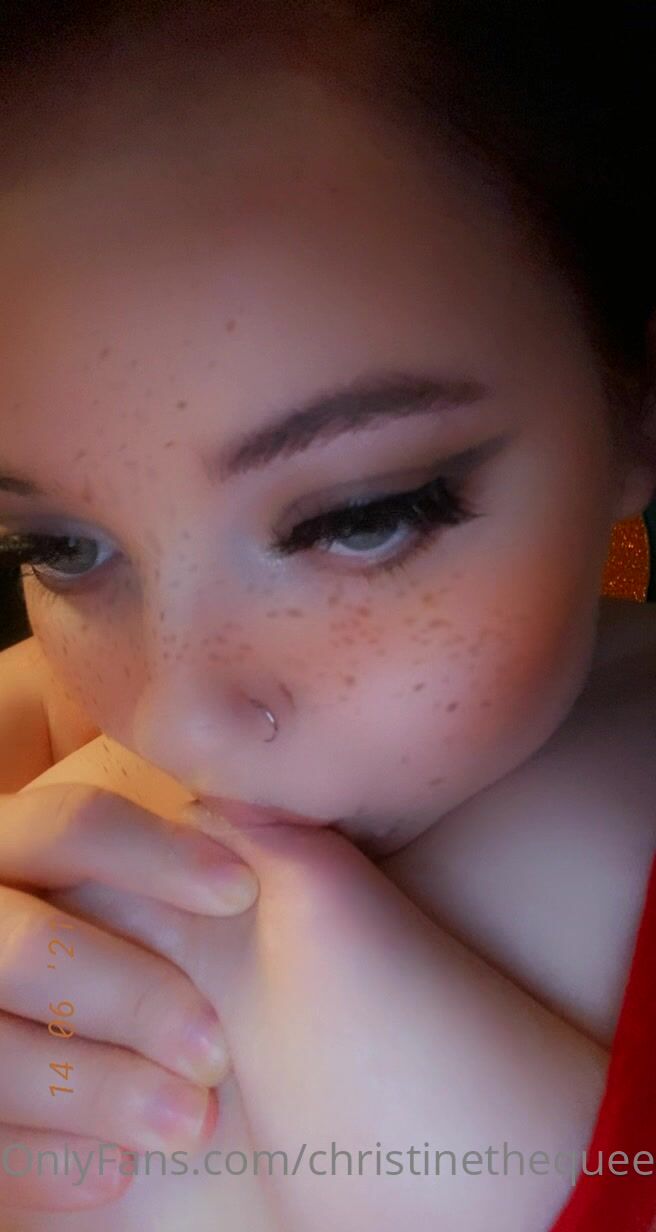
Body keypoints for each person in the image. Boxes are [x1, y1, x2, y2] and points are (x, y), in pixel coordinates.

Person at [0, 1, 654, 1227]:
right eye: (60, 547)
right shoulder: (36, 718)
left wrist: (269, 953)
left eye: (360, 519)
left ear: (634, 399)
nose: (176, 725)